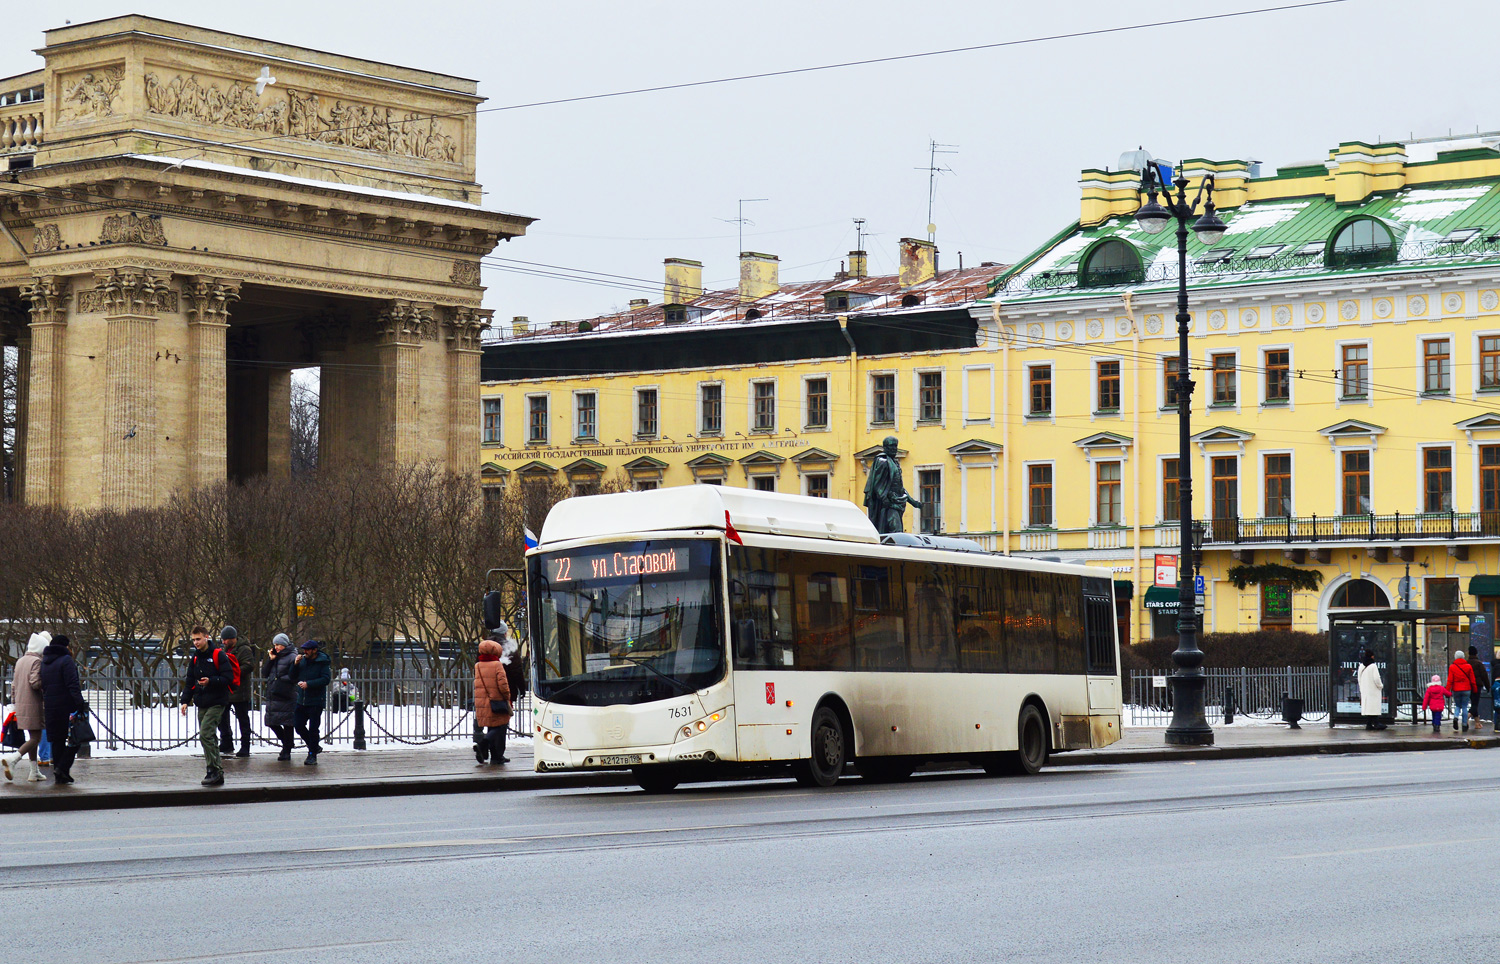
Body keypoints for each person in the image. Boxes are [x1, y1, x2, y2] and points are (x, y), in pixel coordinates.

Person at [179, 625, 234, 787]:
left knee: (205, 734)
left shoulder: (218, 655)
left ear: (206, 637)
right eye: (193, 640)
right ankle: (216, 771)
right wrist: (184, 701)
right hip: (202, 702)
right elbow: (190, 682)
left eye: (198, 639)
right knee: (208, 737)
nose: (195, 642)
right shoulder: (195, 658)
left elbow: (228, 677)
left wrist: (211, 681)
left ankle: (213, 769)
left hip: (217, 701)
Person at [37, 635, 87, 785]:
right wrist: (80, 703)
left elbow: (44, 685)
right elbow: (73, 684)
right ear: (65, 646)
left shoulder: (44, 662)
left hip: (51, 705)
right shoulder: (66, 661)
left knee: (57, 741)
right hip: (66, 705)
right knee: (77, 740)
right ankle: (62, 768)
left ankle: (61, 774)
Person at [2, 632, 50, 783]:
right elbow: (35, 683)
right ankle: (13, 759)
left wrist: (15, 704)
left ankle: (34, 772)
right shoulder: (37, 661)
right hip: (34, 705)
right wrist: (47, 683)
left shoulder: (21, 661)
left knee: (32, 738)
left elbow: (14, 685)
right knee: (36, 738)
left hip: (22, 705)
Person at [862, 436, 924, 534]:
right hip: (888, 504)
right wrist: (884, 499)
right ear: (885, 447)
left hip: (897, 502)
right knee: (895, 530)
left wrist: (913, 502)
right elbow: (877, 485)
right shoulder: (883, 461)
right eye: (891, 446)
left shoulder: (894, 462)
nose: (894, 448)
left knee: (895, 531)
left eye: (895, 446)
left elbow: (900, 487)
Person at [473, 638, 513, 765]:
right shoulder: (497, 665)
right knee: (500, 726)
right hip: (496, 700)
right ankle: (484, 744)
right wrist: (507, 696)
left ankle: (496, 756)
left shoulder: (478, 665)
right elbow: (503, 685)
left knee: (493, 727)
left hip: (483, 702)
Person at [291, 640, 331, 765]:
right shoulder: (302, 661)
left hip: (315, 701)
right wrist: (295, 664)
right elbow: (292, 676)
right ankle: (314, 746)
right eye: (304, 649)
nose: (305, 652)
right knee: (298, 726)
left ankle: (312, 755)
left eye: (307, 649)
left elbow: (326, 679)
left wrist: (309, 684)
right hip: (301, 700)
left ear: (314, 650)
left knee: (313, 729)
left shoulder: (322, 662)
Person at [217, 626, 254, 758]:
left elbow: (249, 665)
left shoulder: (244, 649)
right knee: (222, 718)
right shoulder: (224, 650)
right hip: (227, 690)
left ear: (233, 638)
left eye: (226, 639)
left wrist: (232, 673)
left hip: (240, 690)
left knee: (242, 719)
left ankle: (245, 746)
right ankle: (226, 742)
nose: (224, 642)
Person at [262, 633, 298, 762]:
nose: (276, 647)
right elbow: (264, 673)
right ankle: (287, 744)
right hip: (274, 694)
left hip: (286, 694)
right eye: (274, 645)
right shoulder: (275, 657)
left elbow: (294, 675)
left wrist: (281, 679)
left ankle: (286, 749)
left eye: (278, 644)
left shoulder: (292, 656)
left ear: (284, 644)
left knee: (288, 723)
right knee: (271, 722)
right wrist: (270, 660)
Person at [1447, 649, 1477, 733]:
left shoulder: (1452, 667)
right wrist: (1474, 689)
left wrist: (1447, 690)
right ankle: (1464, 725)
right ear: (1463, 657)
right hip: (1467, 689)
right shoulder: (1468, 666)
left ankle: (1456, 717)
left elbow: (1450, 680)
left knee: (1457, 705)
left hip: (1456, 689)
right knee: (1464, 706)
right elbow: (1472, 679)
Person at [1357, 651, 1385, 730]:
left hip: (1365, 690)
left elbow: (1359, 679)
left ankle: (1369, 723)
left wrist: (1361, 688)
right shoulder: (1373, 666)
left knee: (1369, 707)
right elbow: (1376, 678)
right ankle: (1376, 723)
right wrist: (1380, 686)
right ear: (1372, 656)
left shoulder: (1361, 666)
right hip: (1373, 690)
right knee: (1374, 707)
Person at [1465, 646, 1491, 732]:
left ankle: (1477, 723)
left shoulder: (1466, 663)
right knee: (1475, 704)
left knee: (1473, 703)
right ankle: (1467, 717)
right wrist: (1488, 687)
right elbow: (1484, 676)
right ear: (1476, 653)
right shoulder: (1479, 663)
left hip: (1467, 686)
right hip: (1477, 686)